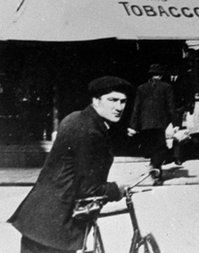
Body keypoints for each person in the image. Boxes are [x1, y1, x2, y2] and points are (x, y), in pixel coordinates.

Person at [9, 76, 131, 253]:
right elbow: (89, 189)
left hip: (36, 218)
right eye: (112, 100)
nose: (119, 107)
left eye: (123, 101)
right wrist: (116, 189)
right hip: (57, 226)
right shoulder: (91, 133)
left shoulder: (75, 118)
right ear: (96, 101)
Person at [127, 64, 176, 186]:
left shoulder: (141, 88)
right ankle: (156, 171)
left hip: (145, 124)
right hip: (160, 123)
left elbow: (136, 108)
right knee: (160, 148)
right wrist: (175, 123)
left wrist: (133, 125)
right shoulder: (166, 87)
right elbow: (171, 106)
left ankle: (154, 167)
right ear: (160, 75)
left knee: (151, 146)